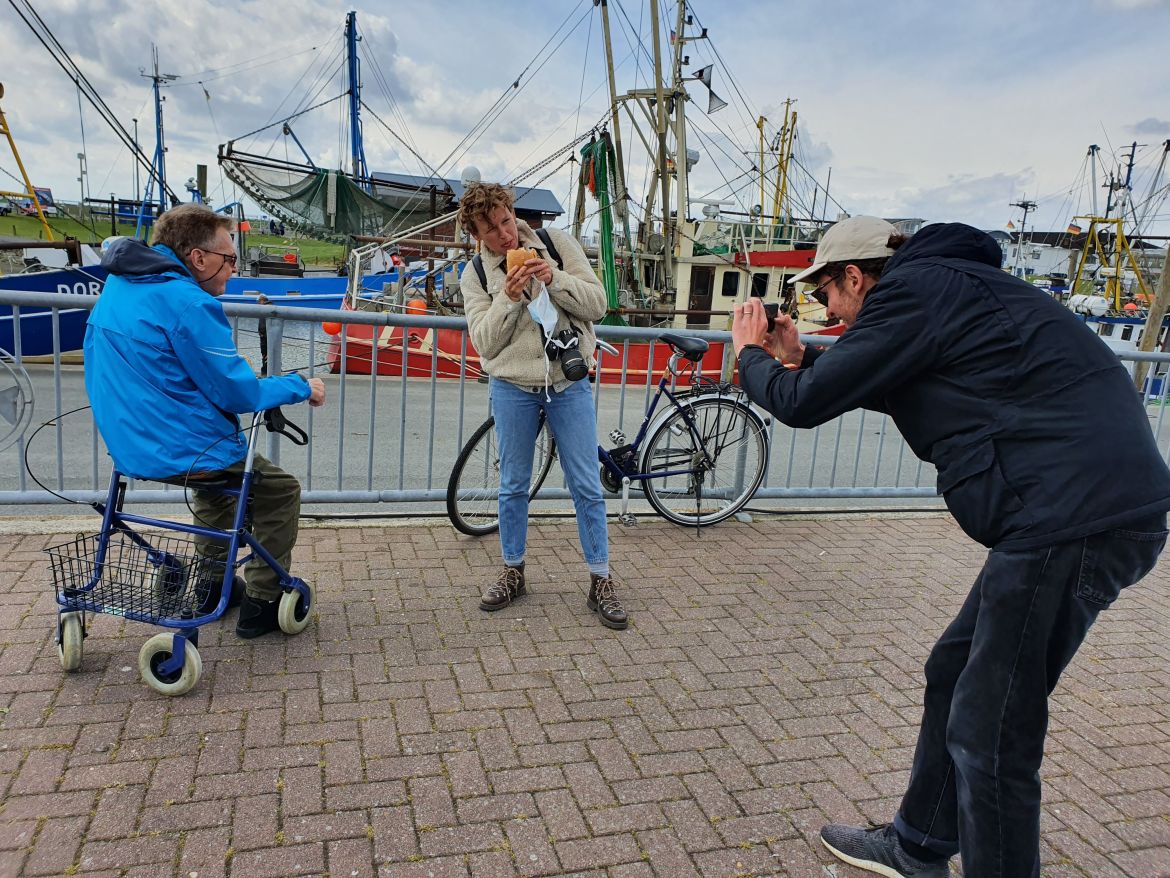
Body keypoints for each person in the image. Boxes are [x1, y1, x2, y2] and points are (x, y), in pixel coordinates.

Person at [731, 216, 1170, 877]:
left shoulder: (914, 292)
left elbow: (801, 405)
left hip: (1072, 518)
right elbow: (901, 381)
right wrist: (806, 357)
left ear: (854, 277)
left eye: (824, 296)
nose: (825, 309)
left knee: (991, 732)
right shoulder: (943, 290)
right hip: (1077, 509)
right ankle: (920, 843)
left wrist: (752, 356)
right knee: (955, 671)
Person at [84, 204, 327, 639]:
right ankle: (264, 600)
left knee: (216, 495)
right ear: (198, 258)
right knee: (280, 491)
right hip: (186, 449)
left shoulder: (119, 288)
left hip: (128, 447)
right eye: (229, 259)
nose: (233, 270)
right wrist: (299, 385)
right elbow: (238, 393)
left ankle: (213, 583)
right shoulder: (189, 302)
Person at [457, 182, 628, 629]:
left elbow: (599, 305)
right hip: (513, 386)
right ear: (476, 234)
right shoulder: (475, 275)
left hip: (567, 383)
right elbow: (485, 343)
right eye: (491, 230)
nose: (504, 235)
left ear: (514, 213)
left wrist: (555, 277)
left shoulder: (556, 244)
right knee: (513, 483)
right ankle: (513, 570)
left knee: (586, 485)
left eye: (506, 221)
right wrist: (509, 298)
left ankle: (600, 579)